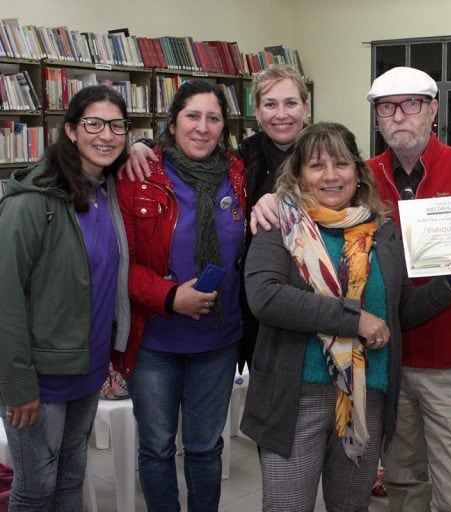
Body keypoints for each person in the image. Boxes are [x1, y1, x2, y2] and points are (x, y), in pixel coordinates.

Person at [250, 66, 451, 511]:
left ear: (433, 111)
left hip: (388, 384)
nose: (331, 175)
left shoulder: (382, 225)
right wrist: (357, 319)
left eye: (411, 104)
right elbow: (268, 297)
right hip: (308, 392)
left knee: (425, 493)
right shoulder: (287, 222)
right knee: (379, 488)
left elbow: (403, 306)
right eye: (388, 107)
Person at [113, 80, 248, 511]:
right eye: (192, 116)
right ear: (172, 123)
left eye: (213, 118)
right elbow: (120, 263)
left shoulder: (237, 172)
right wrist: (171, 297)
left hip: (218, 339)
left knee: (206, 448)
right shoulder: (139, 174)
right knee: (155, 448)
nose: (203, 127)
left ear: (225, 126)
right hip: (155, 340)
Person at [121, 64, 310, 370]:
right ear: (257, 113)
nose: (281, 114)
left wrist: (290, 198)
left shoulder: (328, 152)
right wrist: (138, 147)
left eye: (290, 103)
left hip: (313, 297)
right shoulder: (243, 159)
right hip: (255, 307)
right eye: (270, 104)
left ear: (305, 107)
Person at [0, 85, 131, 510]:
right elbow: (5, 296)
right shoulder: (32, 202)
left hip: (87, 368)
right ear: (71, 130)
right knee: (36, 487)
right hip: (39, 378)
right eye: (94, 123)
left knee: (71, 479)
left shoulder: (105, 191)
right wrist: (17, 384)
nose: (106, 135)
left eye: (117, 125)